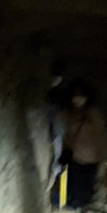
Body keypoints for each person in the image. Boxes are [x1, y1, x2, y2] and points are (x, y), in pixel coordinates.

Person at [60, 77, 107, 213]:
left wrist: (102, 158)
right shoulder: (69, 114)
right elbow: (66, 135)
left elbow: (100, 136)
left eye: (80, 97)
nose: (78, 100)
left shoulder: (93, 114)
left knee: (86, 189)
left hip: (91, 158)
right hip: (75, 157)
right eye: (75, 97)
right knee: (75, 189)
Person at [46, 59, 69, 199]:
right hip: (55, 133)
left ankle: (62, 197)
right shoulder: (54, 93)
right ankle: (61, 197)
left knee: (60, 164)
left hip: (58, 133)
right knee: (58, 164)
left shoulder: (59, 95)